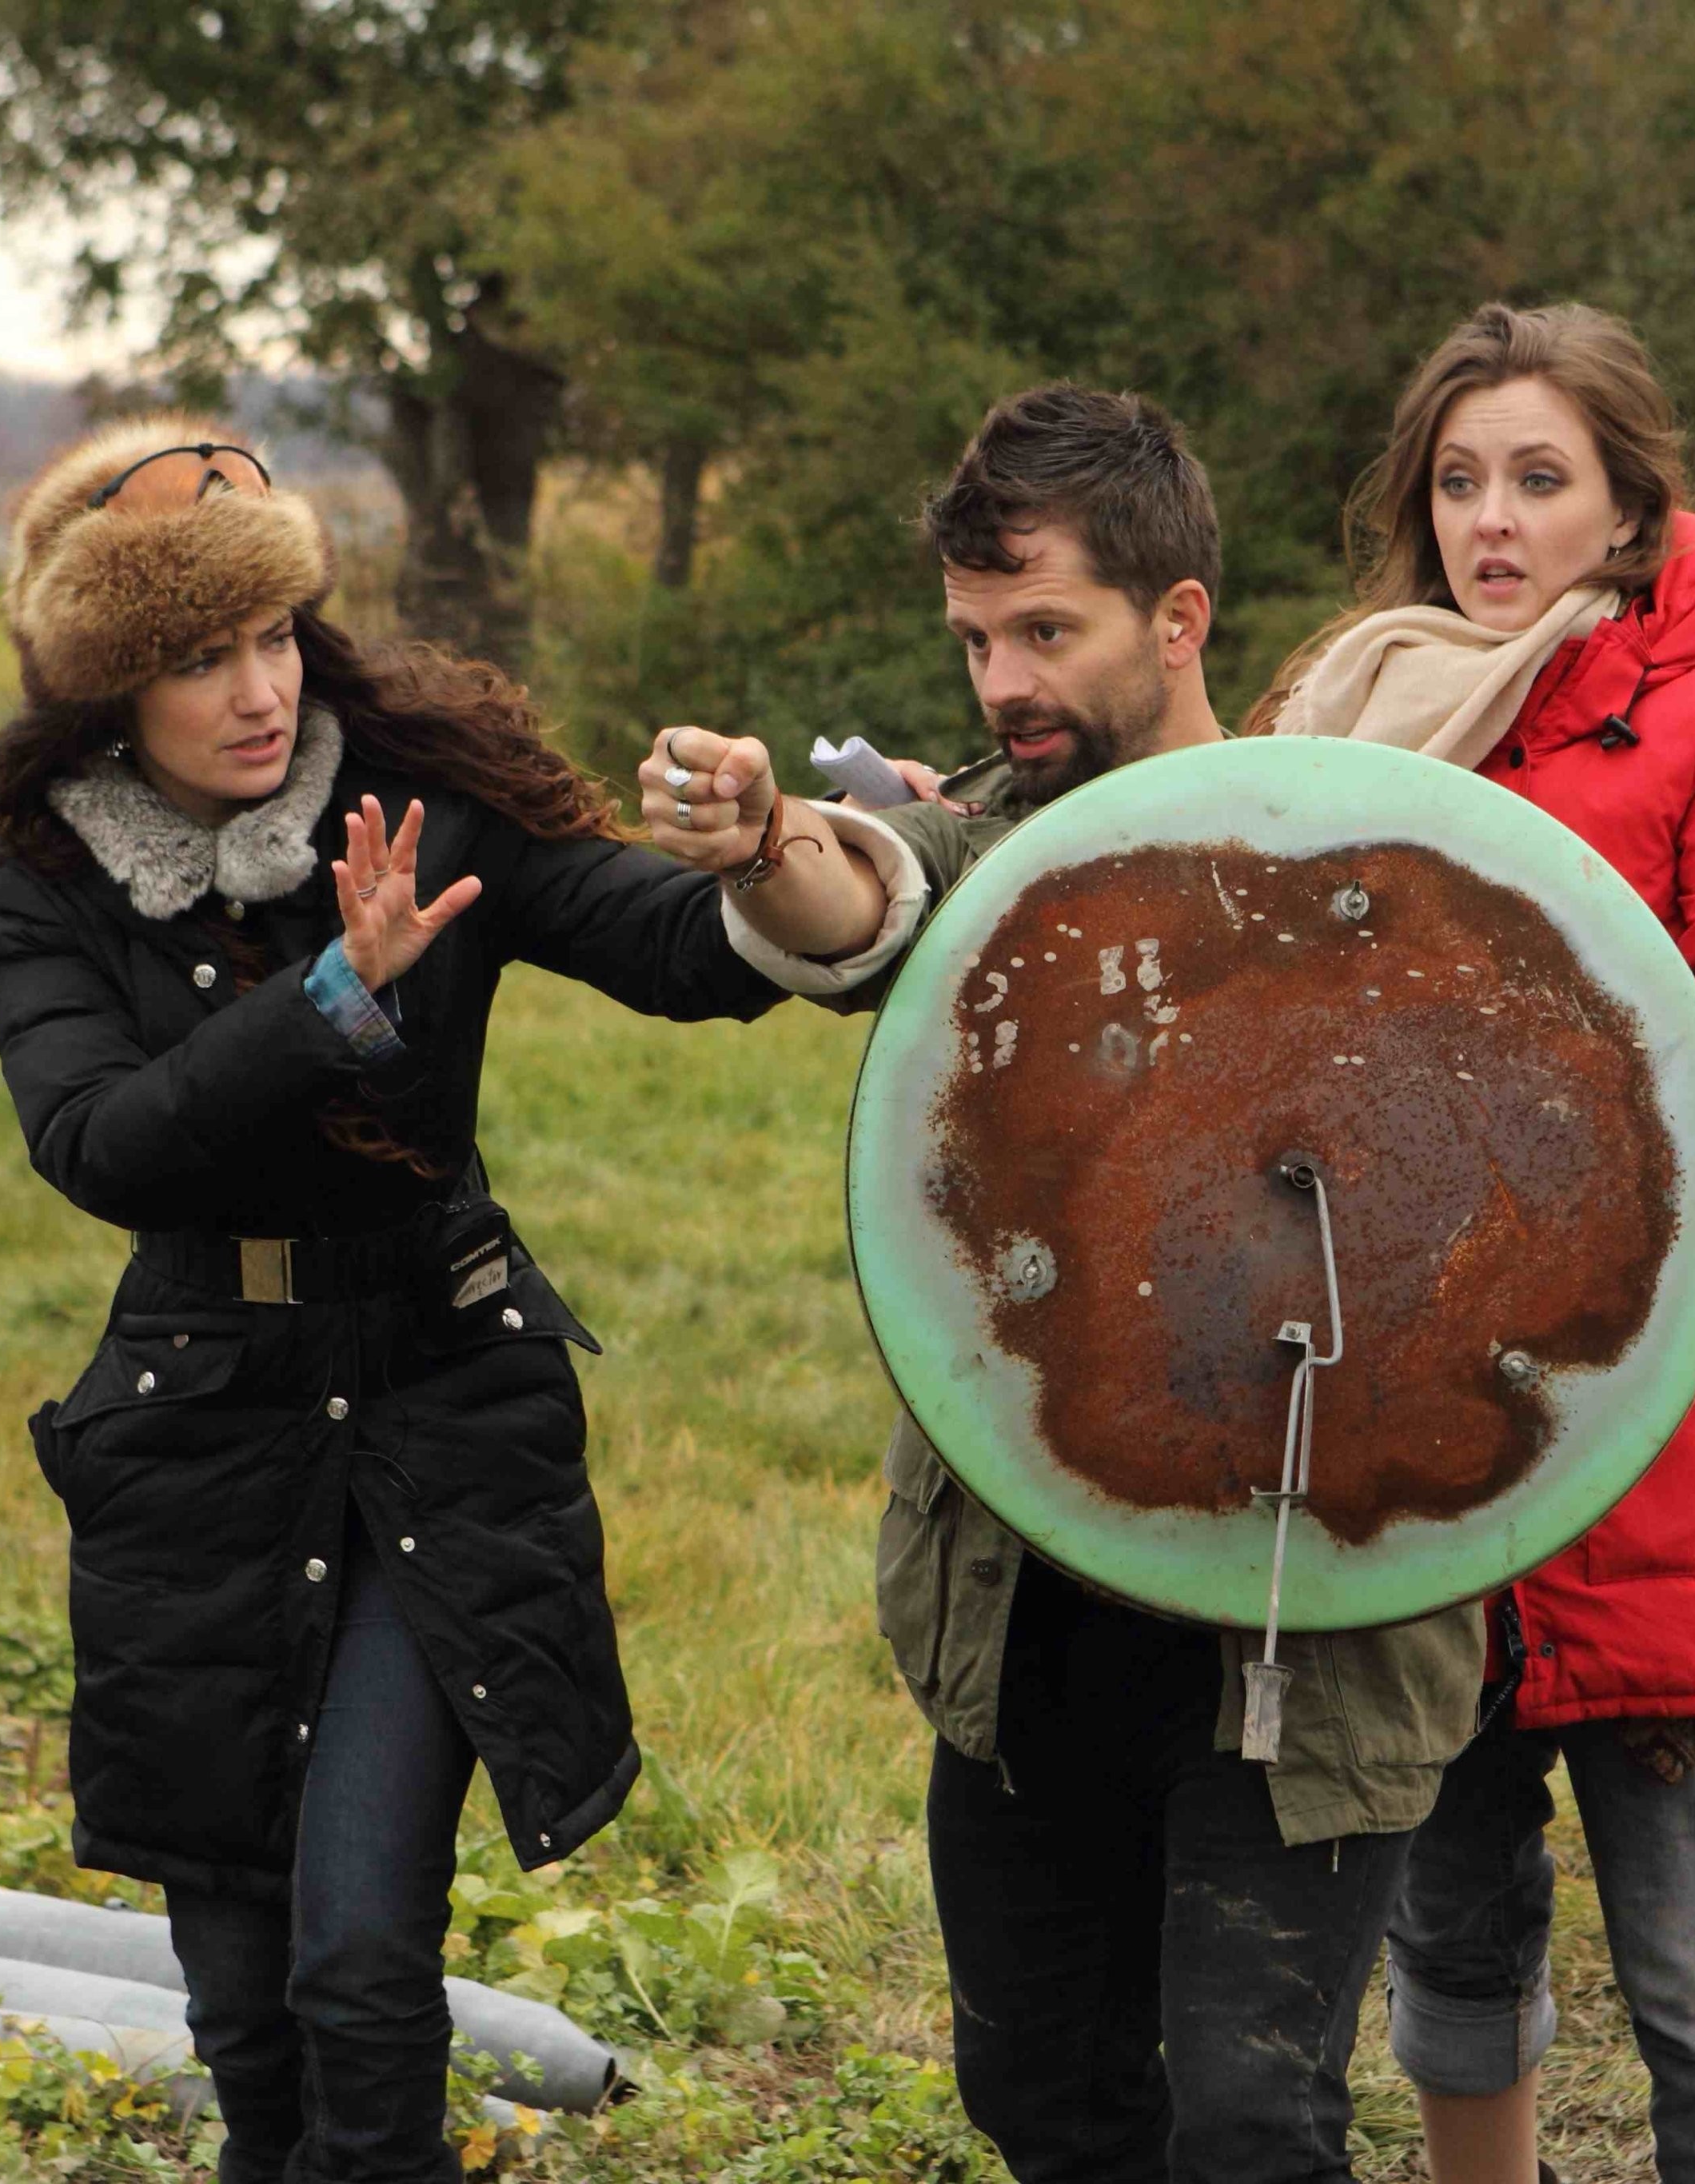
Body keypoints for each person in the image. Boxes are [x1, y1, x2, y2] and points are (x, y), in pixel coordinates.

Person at [0, 417, 917, 2183]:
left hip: (436, 1412)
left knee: (358, 1965)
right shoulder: (48, 875)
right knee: (244, 2001)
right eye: (195, 659)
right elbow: (98, 1142)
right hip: (199, 1440)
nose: (255, 691)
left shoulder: (418, 783)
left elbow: (673, 951)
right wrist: (328, 995)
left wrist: (769, 848)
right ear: (108, 688)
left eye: (271, 635)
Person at [641, 385, 1488, 2184]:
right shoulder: (989, 851)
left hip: (1298, 1615)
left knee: (1250, 2126)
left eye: (1045, 630)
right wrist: (762, 839)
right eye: (972, 641)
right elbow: (863, 892)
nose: (1001, 681)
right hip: (1034, 1605)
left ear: (1175, 618)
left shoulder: (1355, 857)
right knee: (1048, 2103)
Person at [1253, 301, 1695, 2184]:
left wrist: (1539, 1125)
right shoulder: (1368, 701)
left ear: (1625, 502)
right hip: (1412, 1393)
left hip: (1636, 1385)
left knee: (1693, 1955)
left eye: (1538, 477)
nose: (1491, 519)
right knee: (1448, 1905)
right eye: (1457, 480)